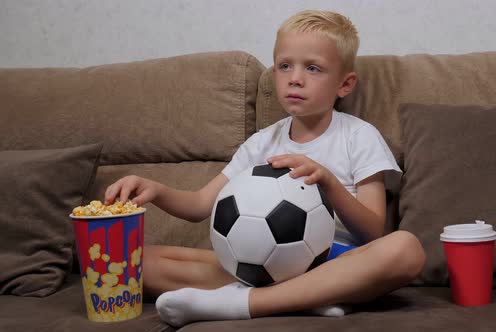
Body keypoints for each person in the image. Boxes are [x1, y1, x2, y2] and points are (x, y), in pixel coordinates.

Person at [104, 10, 425, 327]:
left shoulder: (359, 136)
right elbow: (200, 205)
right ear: (274, 73)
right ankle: (307, 300)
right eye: (285, 66)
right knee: (127, 259)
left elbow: (372, 233)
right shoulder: (262, 143)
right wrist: (156, 191)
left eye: (313, 68)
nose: (295, 77)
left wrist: (327, 181)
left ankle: (245, 303)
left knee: (405, 248)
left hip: (336, 263)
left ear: (345, 84)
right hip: (260, 263)